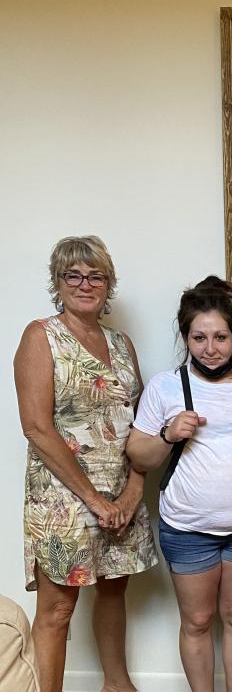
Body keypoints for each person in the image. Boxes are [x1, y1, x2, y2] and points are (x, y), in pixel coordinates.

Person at [14, 235, 158, 692]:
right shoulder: (41, 336)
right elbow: (37, 428)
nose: (84, 283)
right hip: (64, 499)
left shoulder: (122, 344)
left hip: (119, 495)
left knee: (114, 590)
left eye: (96, 275)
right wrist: (94, 500)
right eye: (73, 275)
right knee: (57, 610)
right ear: (57, 282)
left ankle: (117, 684)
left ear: (109, 283)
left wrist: (132, 493)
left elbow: (142, 423)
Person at [126, 275, 232, 692]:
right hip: (188, 528)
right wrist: (167, 434)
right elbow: (138, 456)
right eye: (199, 338)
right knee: (196, 622)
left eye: (220, 337)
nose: (210, 349)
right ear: (185, 337)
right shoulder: (165, 386)